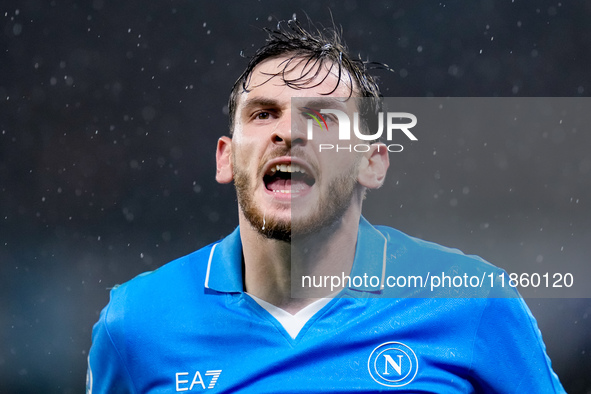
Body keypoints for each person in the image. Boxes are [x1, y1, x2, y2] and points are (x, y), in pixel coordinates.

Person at [87, 18, 565, 393]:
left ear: (372, 164)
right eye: (263, 113)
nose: (290, 131)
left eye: (321, 116)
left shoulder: (472, 300)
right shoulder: (136, 321)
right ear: (226, 158)